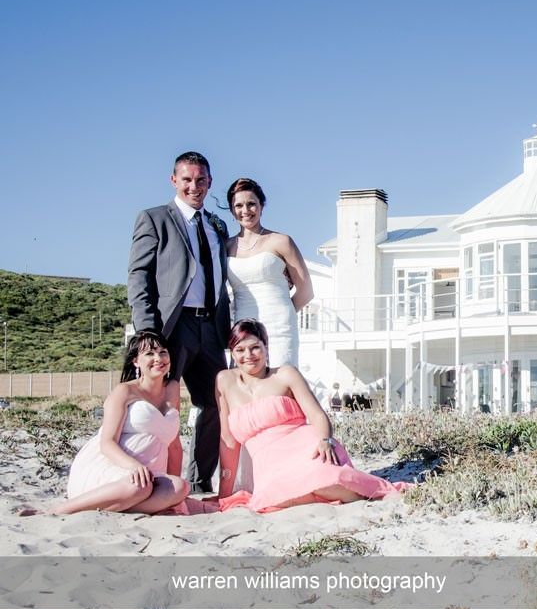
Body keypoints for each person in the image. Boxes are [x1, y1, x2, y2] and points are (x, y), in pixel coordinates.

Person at [216, 319, 409, 512]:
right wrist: (224, 494)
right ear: (232, 352)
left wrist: (325, 440)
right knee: (276, 499)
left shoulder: (285, 374)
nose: (248, 355)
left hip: (307, 448)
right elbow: (228, 441)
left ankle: (366, 495)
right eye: (240, 350)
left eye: (255, 348)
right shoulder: (225, 381)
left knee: (327, 483)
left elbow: (317, 415)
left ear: (266, 348)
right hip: (270, 464)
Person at [128, 151, 231, 494]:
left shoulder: (217, 225)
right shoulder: (155, 219)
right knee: (160, 406)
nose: (194, 186)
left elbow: (222, 280)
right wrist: (147, 332)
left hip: (211, 329)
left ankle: (200, 483)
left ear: (210, 182)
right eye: (187, 179)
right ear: (174, 181)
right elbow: (138, 276)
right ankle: (151, 480)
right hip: (171, 328)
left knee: (215, 404)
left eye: (201, 180)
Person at [53, 331, 189, 514]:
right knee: (140, 487)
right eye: (149, 353)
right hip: (114, 466)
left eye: (163, 352)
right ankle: (59, 511)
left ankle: (123, 507)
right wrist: (133, 466)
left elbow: (174, 444)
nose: (158, 358)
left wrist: (176, 498)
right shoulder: (125, 391)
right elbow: (107, 443)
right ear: (136, 361)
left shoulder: (172, 388)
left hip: (150, 473)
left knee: (180, 487)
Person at [225, 178, 313, 368]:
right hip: (243, 327)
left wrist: (283, 314)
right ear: (232, 210)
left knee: (280, 381)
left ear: (261, 206)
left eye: (251, 204)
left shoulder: (281, 241)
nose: (245, 210)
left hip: (279, 326)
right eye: (238, 205)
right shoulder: (225, 247)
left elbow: (306, 291)